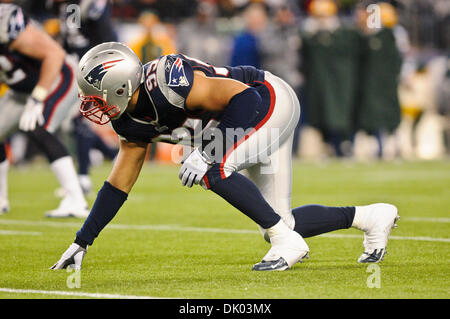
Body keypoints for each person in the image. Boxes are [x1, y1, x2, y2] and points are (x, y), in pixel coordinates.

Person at [50, 42, 399, 271]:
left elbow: (245, 99)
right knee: (278, 221)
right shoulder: (129, 120)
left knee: (210, 167)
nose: (89, 105)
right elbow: (118, 184)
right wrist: (82, 241)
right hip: (247, 121)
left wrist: (206, 151)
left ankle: (285, 242)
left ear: (123, 87)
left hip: (269, 99)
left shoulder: (169, 83)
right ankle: (370, 217)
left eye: (96, 97)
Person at [0, 3, 88, 218]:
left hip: (57, 76)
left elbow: (54, 54)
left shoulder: (4, 23)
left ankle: (77, 200)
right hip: (19, 90)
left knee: (39, 128)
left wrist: (38, 98)